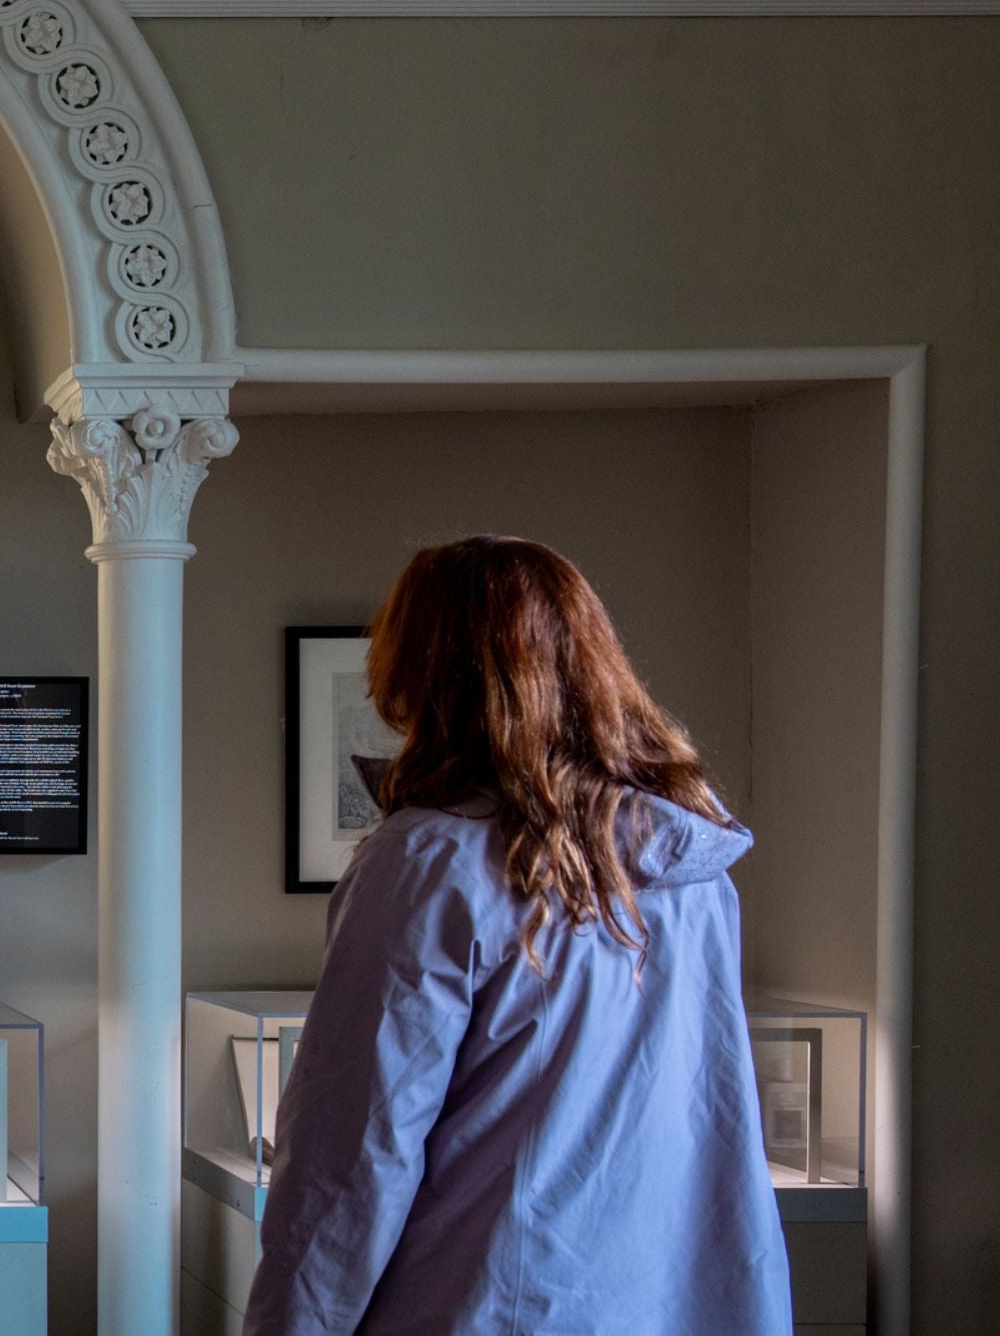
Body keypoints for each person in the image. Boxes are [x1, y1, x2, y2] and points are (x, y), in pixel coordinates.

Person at [244, 536, 792, 1336]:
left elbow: (354, 1162)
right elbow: (715, 1125)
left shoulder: (428, 862)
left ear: (422, 669)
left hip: (484, 1305)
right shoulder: (693, 867)